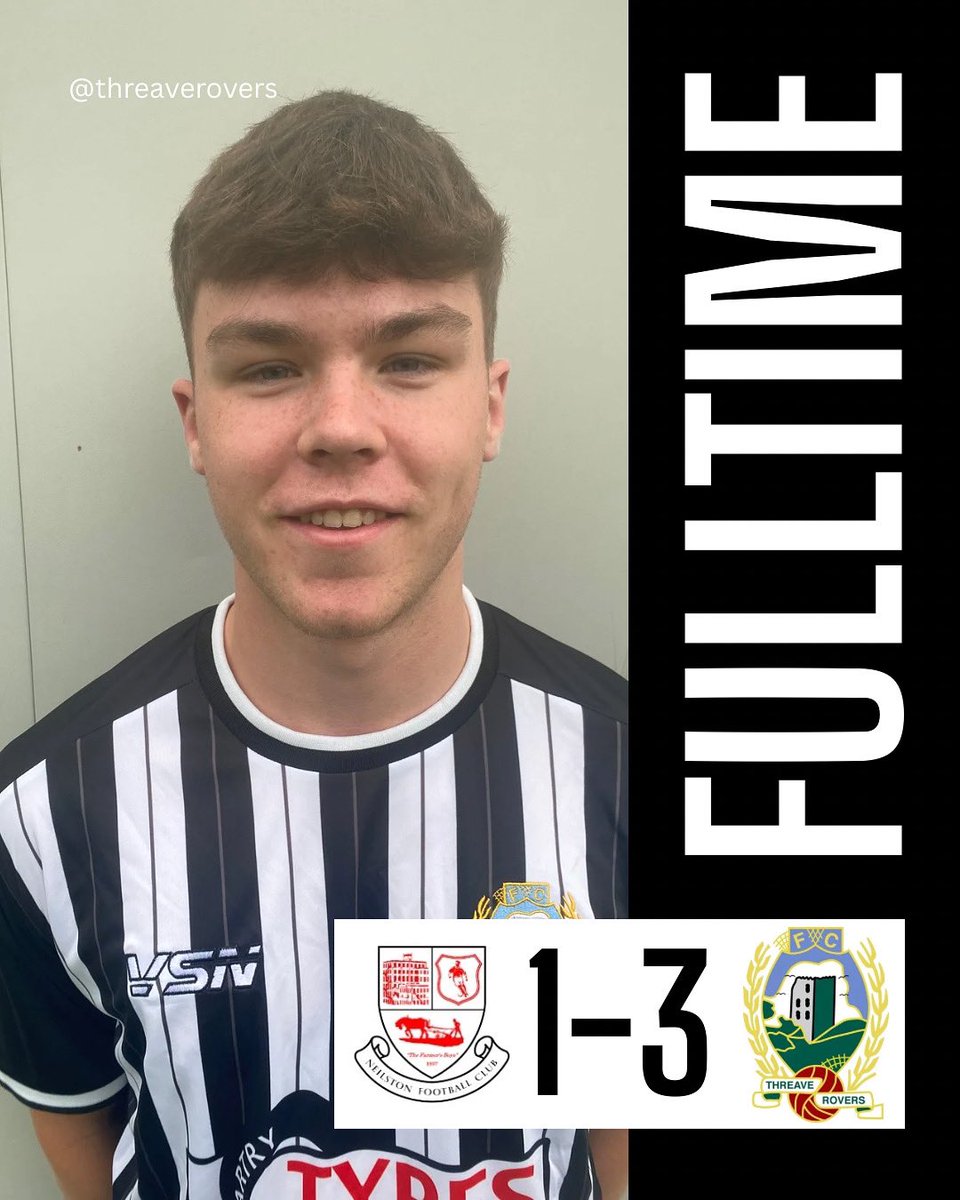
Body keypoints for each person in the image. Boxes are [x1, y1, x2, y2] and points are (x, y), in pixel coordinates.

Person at [0, 90, 628, 1199]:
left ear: (490, 406)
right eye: (269, 367)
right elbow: (79, 1130)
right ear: (196, 423)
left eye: (410, 359)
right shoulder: (40, 816)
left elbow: (625, 1121)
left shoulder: (631, 771)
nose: (340, 428)